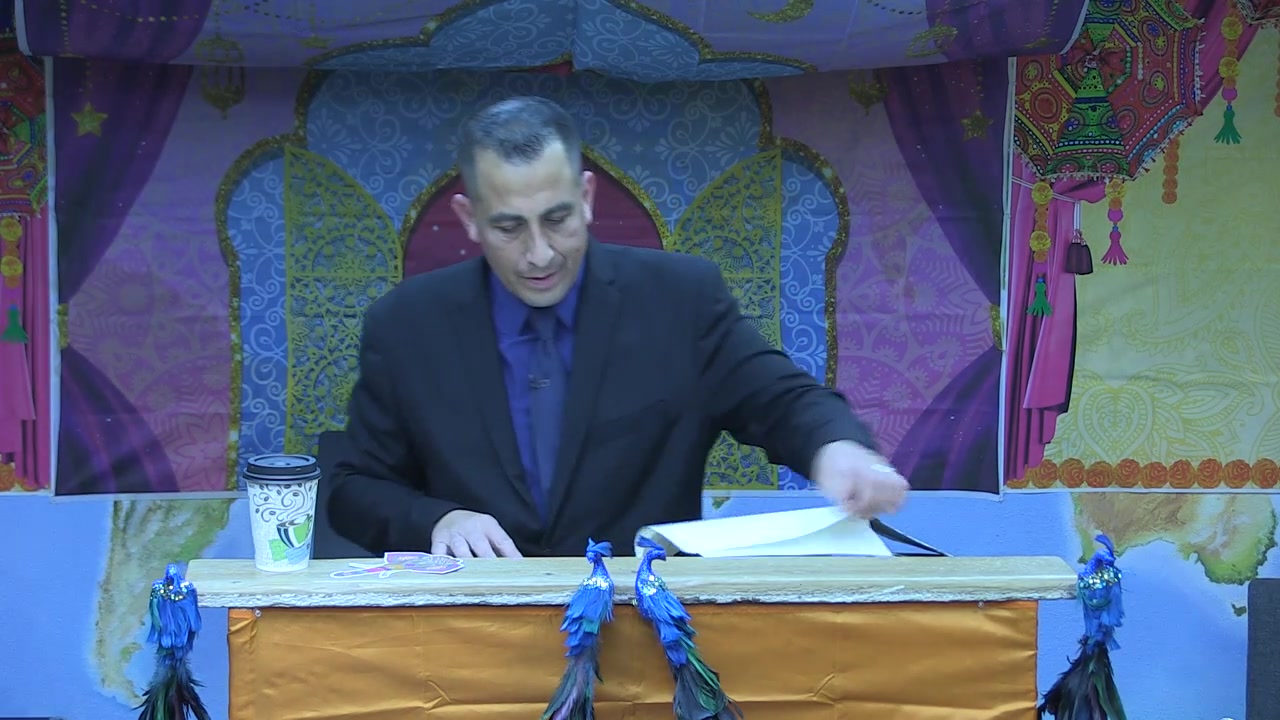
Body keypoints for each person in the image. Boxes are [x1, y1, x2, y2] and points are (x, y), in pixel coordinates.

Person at [328, 95, 909, 559]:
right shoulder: (407, 326)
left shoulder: (680, 301)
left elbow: (780, 400)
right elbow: (354, 489)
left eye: (557, 219)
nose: (539, 254)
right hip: (470, 632)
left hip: (641, 628)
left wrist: (835, 448)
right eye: (509, 228)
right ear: (469, 218)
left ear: (585, 197)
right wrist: (437, 520)